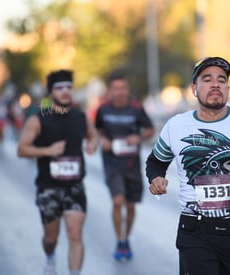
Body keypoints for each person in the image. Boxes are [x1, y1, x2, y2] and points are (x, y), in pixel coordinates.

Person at [145, 57, 230, 275]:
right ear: (194, 89)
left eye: (221, 79)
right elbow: (155, 162)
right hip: (195, 232)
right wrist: (156, 178)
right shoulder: (176, 125)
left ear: (227, 88)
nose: (215, 84)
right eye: (207, 79)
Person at [17, 69, 98, 275]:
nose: (65, 91)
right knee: (51, 238)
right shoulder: (38, 119)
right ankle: (50, 256)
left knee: (75, 234)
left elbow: (93, 135)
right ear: (51, 92)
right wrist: (47, 150)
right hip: (48, 186)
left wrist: (92, 144)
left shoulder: (80, 117)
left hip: (74, 185)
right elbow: (22, 149)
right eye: (59, 88)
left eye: (68, 87)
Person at [95, 72, 155, 261]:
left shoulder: (136, 108)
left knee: (130, 205)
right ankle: (119, 240)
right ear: (110, 91)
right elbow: (96, 129)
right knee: (117, 201)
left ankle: (126, 237)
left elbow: (150, 129)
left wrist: (139, 137)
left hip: (131, 164)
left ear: (127, 90)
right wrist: (102, 139)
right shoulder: (103, 110)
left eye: (124, 88)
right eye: (116, 89)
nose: (120, 92)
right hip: (112, 163)